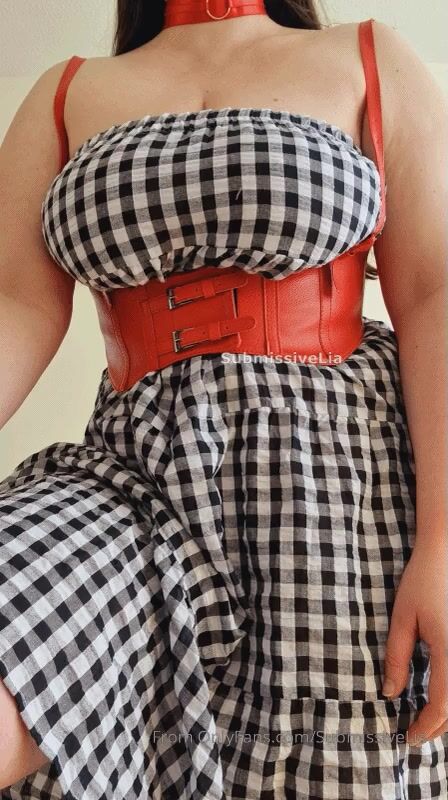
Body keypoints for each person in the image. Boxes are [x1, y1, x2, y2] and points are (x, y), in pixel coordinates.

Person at [0, 0, 447, 797]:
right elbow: (16, 305)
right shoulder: (64, 93)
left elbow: (434, 293)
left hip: (339, 488)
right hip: (136, 474)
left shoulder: (370, 58)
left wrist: (446, 539)